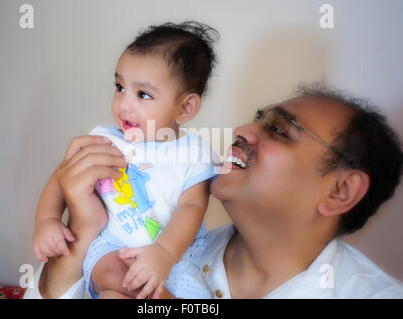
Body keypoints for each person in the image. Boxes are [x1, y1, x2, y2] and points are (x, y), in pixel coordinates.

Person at [25, 82, 403, 299]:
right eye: (257, 119)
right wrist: (83, 235)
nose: (240, 130)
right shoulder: (160, 242)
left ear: (340, 190)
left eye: (278, 130)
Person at [31, 21, 221, 299]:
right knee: (118, 280)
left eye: (143, 94)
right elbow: (62, 177)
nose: (123, 104)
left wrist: (164, 254)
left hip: (174, 258)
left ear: (185, 108)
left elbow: (192, 207)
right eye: (119, 87)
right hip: (111, 246)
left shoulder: (194, 153)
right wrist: (47, 220)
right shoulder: (104, 139)